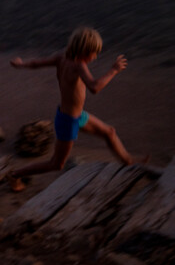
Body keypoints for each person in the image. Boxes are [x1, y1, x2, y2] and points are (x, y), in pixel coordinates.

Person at [8, 27, 145, 191]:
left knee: (109, 132)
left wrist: (21, 64)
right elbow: (94, 87)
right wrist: (113, 70)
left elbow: (37, 63)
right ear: (84, 51)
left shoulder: (61, 58)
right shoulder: (79, 65)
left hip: (76, 116)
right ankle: (15, 175)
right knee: (57, 164)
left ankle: (128, 162)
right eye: (94, 53)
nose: (95, 57)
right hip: (68, 121)